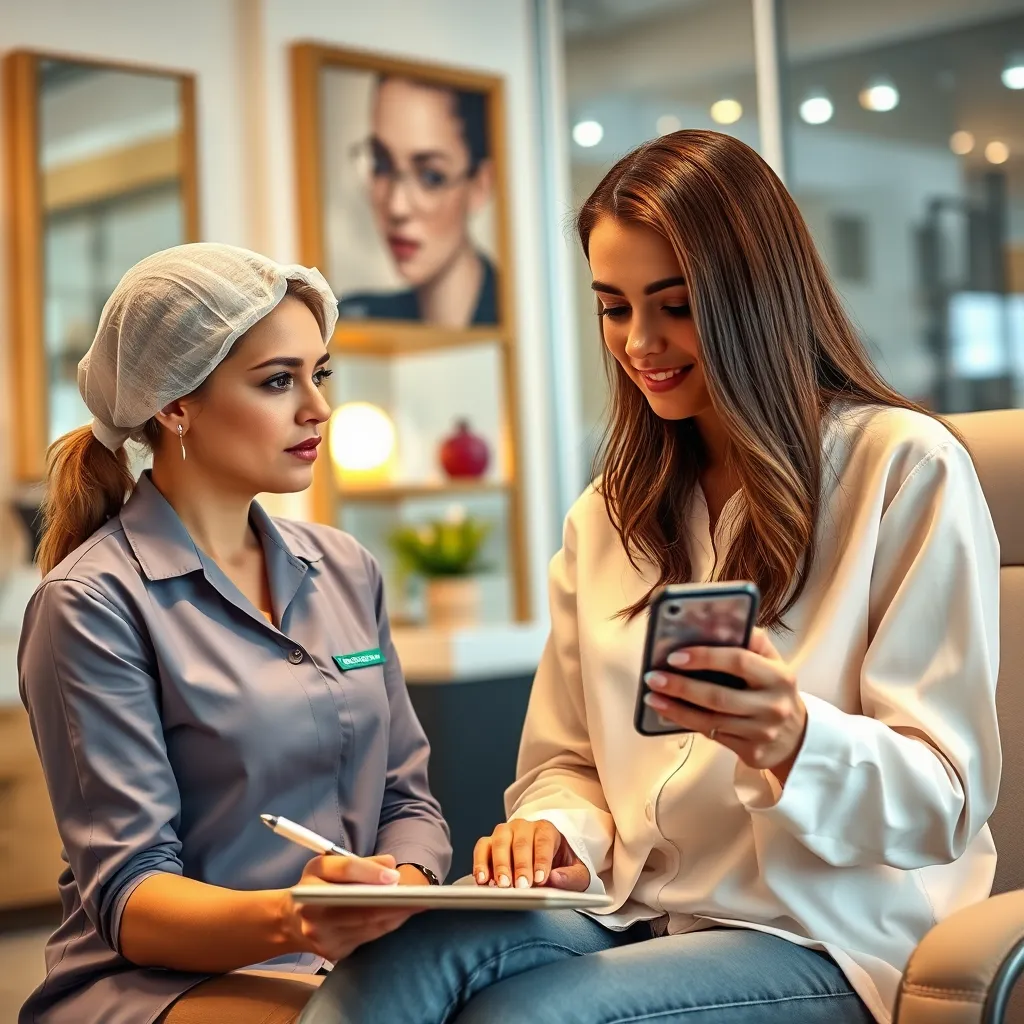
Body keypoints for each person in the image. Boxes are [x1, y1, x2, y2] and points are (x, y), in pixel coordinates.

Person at [299, 130, 1000, 1024]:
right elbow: (567, 763)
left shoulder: (902, 469)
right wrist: (553, 829)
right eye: (613, 307)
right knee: (384, 968)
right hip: (639, 909)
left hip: (824, 934)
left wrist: (792, 738)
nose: (641, 342)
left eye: (674, 305)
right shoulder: (608, 514)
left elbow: (944, 796)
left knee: (527, 1017)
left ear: (756, 299)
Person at [17, 243, 451, 1024]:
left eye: (320, 374)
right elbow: (134, 895)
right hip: (158, 988)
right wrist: (298, 918)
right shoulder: (90, 604)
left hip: (352, 966)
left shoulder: (347, 569)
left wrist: (397, 886)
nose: (316, 408)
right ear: (175, 405)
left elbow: (407, 800)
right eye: (278, 380)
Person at [337, 75, 499, 328]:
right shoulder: (353, 317)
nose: (396, 206)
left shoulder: (526, 313)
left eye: (431, 176)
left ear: (480, 184)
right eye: (381, 164)